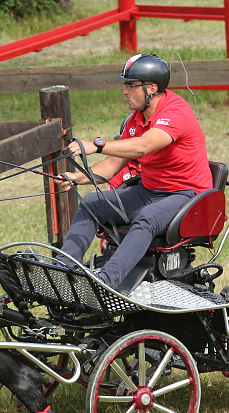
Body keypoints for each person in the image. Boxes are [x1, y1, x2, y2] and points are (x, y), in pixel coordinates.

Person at [58, 53, 212, 289]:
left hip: (186, 195)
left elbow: (143, 146)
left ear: (152, 88)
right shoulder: (136, 119)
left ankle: (105, 282)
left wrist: (97, 145)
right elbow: (112, 166)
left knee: (147, 218)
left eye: (131, 85)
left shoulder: (176, 112)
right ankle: (63, 270)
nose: (125, 91)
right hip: (149, 190)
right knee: (91, 204)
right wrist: (76, 178)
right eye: (125, 85)